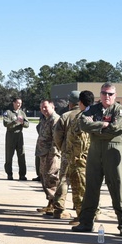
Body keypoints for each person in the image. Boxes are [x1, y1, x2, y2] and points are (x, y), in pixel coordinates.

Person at [71, 82, 122, 237]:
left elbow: (117, 128)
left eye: (110, 94)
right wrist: (104, 124)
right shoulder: (93, 109)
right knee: (91, 187)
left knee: (119, 188)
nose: (107, 96)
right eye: (104, 93)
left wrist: (96, 127)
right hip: (95, 150)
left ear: (115, 95)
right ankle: (86, 222)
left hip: (114, 150)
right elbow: (83, 123)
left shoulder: (121, 111)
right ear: (100, 94)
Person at [60, 90, 94, 223]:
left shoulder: (85, 117)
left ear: (80, 102)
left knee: (80, 189)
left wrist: (77, 157)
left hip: (79, 160)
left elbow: (83, 141)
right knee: (84, 188)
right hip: (79, 158)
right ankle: (88, 214)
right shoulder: (85, 115)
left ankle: (82, 218)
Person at [48, 91, 80, 219]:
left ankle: (59, 209)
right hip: (83, 155)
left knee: (63, 180)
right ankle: (82, 210)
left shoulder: (65, 116)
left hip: (67, 153)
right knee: (81, 182)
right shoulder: (88, 115)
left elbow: (57, 136)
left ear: (70, 103)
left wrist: (63, 147)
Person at [36, 99, 61, 214]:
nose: (43, 109)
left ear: (53, 107)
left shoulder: (55, 119)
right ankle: (50, 203)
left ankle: (56, 205)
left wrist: (52, 153)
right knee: (45, 178)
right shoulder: (45, 119)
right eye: (41, 107)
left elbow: (56, 139)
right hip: (43, 153)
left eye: (45, 107)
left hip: (51, 154)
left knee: (51, 178)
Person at [2, 97, 29, 180]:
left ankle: (22, 175)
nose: (19, 105)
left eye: (20, 103)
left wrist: (22, 123)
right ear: (13, 103)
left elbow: (27, 124)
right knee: (9, 156)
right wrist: (15, 121)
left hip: (19, 136)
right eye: (17, 103)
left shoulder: (22, 113)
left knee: (21, 156)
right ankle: (9, 174)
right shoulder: (8, 112)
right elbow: (5, 123)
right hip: (11, 135)